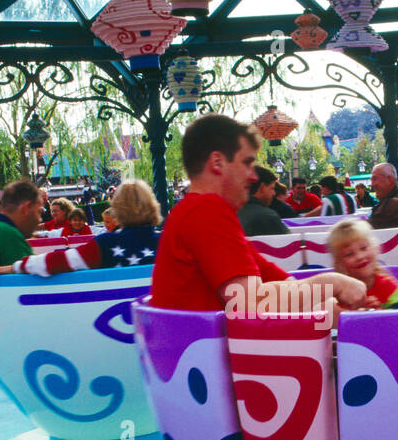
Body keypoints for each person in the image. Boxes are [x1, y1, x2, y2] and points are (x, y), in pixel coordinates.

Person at [149, 114, 365, 313]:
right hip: (204, 353)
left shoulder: (194, 211)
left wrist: (346, 312)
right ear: (217, 162)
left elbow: (287, 289)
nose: (254, 177)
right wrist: (335, 284)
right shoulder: (206, 210)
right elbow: (251, 303)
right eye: (247, 163)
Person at [0, 180, 162, 279]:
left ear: (118, 209)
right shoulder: (167, 241)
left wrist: (13, 267)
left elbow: (55, 262)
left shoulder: (105, 244)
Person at [326, 218, 398, 310]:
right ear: (339, 263)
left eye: (363, 248)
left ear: (374, 248)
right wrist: (356, 312)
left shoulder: (388, 286)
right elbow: (333, 319)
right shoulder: (338, 294)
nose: (360, 257)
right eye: (349, 254)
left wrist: (379, 312)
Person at [237, 166, 291, 237]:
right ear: (262, 187)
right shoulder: (268, 216)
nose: (274, 193)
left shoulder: (230, 213)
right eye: (272, 188)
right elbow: (288, 240)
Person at [368, 163, 398, 228]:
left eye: (375, 179)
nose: (372, 185)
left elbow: (368, 230)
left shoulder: (394, 205)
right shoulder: (394, 201)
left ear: (389, 180)